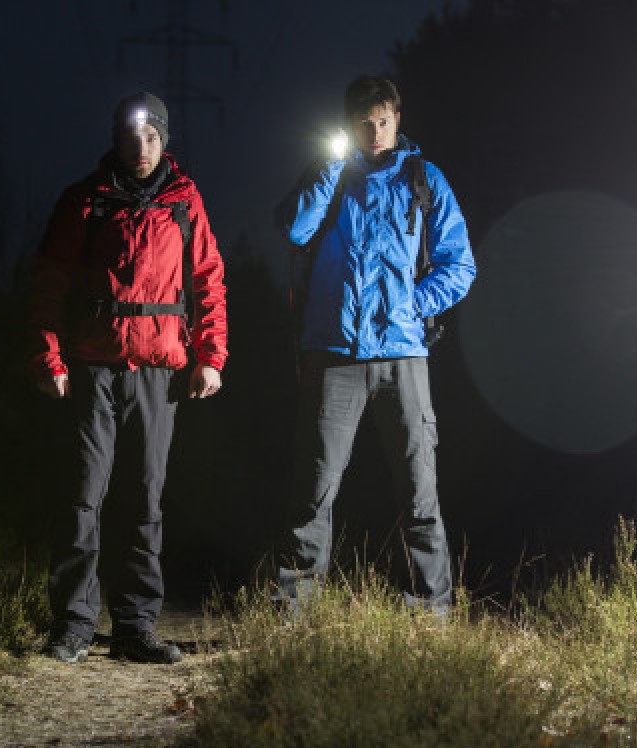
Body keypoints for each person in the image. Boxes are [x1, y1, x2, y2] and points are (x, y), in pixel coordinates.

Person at [26, 91, 228, 663]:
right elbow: (48, 284)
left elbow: (208, 279)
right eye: (130, 136)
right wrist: (48, 360)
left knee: (144, 499)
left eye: (151, 136)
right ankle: (73, 625)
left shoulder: (185, 201)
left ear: (164, 140)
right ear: (116, 139)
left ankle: (135, 629)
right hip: (93, 368)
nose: (141, 147)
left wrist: (211, 356)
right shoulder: (85, 201)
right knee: (83, 496)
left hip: (160, 373)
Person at [274, 75, 476, 616]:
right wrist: (328, 168)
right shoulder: (331, 174)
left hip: (403, 354)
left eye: (384, 120)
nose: (375, 132)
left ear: (397, 119)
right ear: (349, 125)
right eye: (364, 123)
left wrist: (412, 304)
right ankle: (294, 613)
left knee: (419, 490)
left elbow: (460, 266)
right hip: (334, 353)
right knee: (314, 488)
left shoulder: (424, 178)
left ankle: (431, 613)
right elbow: (295, 232)